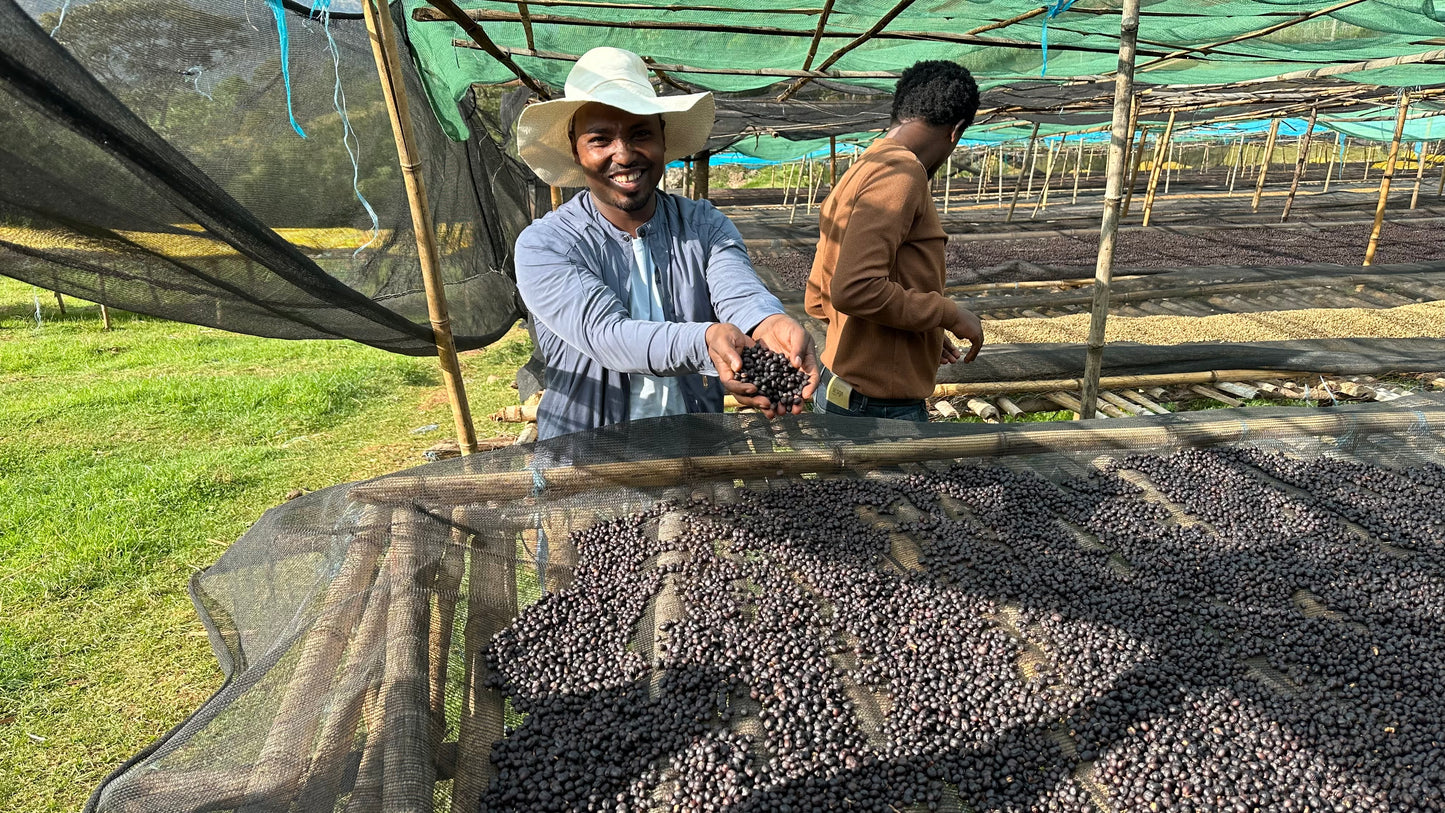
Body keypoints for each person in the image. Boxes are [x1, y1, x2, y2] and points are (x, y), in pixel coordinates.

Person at [513, 47, 817, 440]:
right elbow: (607, 336)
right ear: (577, 150)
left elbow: (738, 292)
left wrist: (767, 322)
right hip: (590, 462)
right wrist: (706, 341)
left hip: (695, 448)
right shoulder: (546, 245)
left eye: (640, 133)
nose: (623, 154)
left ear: (663, 138)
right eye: (600, 139)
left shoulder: (705, 225)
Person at [805, 60, 984, 421]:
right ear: (956, 130)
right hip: (877, 410)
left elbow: (818, 300)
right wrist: (949, 314)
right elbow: (854, 289)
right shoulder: (902, 173)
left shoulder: (864, 166)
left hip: (842, 389)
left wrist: (913, 340)